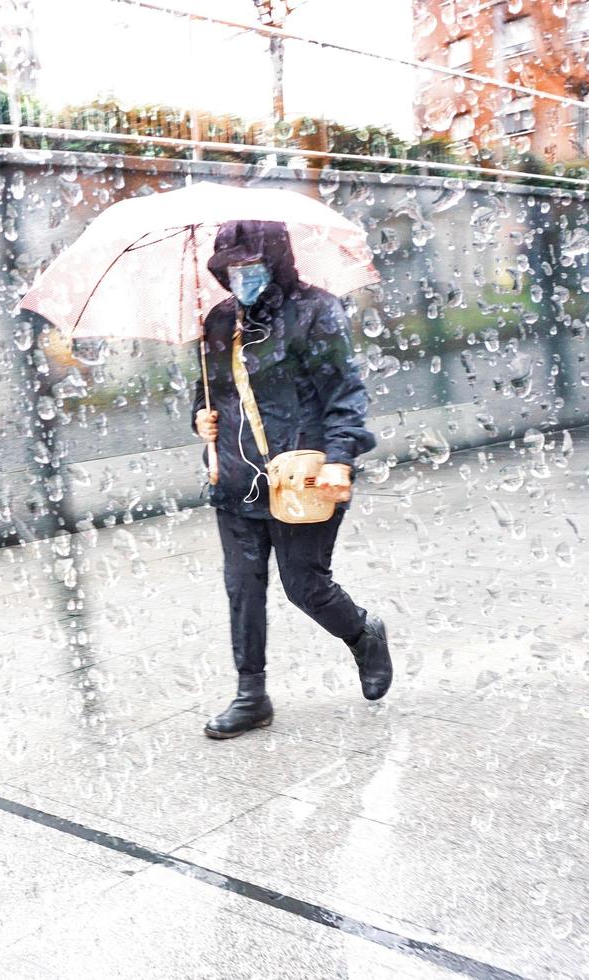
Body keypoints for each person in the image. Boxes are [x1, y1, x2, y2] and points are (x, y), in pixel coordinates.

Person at [191, 220, 392, 740]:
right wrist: (200, 417)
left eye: (251, 265)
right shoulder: (217, 321)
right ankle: (251, 695)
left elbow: (344, 392)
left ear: (275, 261)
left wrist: (339, 457)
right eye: (232, 268)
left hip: (302, 473)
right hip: (235, 480)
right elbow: (209, 391)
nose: (242, 276)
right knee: (243, 586)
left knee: (305, 586)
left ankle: (362, 633)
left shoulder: (315, 310)